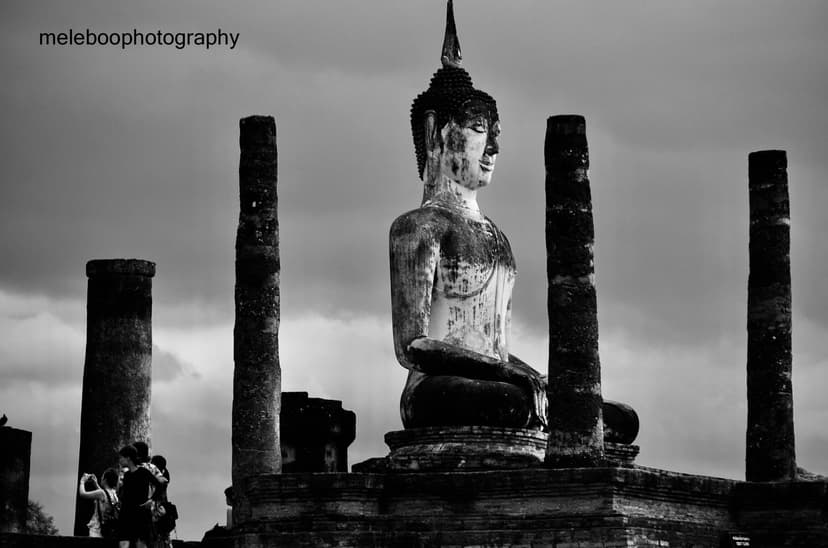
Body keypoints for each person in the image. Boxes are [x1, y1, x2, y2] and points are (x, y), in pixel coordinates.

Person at [390, 1, 546, 431]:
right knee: (512, 403)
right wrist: (505, 374)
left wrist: (532, 376)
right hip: (435, 390)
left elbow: (496, 350)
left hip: (496, 382)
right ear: (435, 134)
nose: (493, 148)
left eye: (496, 134)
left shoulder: (498, 238)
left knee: (603, 414)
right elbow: (413, 346)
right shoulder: (418, 228)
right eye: (479, 130)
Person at [117, 444, 161, 548]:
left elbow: (159, 485)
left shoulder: (143, 472)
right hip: (126, 513)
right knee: (124, 543)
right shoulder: (126, 475)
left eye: (121, 458)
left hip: (140, 512)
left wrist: (152, 500)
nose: (120, 460)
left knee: (140, 543)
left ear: (128, 458)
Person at [78, 468, 119, 538]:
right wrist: (96, 483)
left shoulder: (101, 493)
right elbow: (105, 495)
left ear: (105, 480)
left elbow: (82, 494)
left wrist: (82, 482)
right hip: (107, 530)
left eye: (102, 477)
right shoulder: (114, 494)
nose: (101, 478)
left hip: (96, 530)